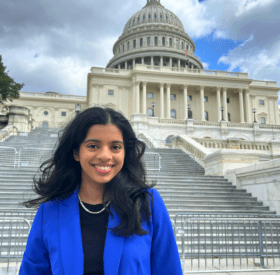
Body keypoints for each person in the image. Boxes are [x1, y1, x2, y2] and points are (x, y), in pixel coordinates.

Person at [19, 106, 183, 274]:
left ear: (125, 153)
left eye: (116, 147)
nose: (105, 155)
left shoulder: (146, 203)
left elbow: (168, 268)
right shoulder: (50, 210)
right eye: (93, 146)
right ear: (76, 152)